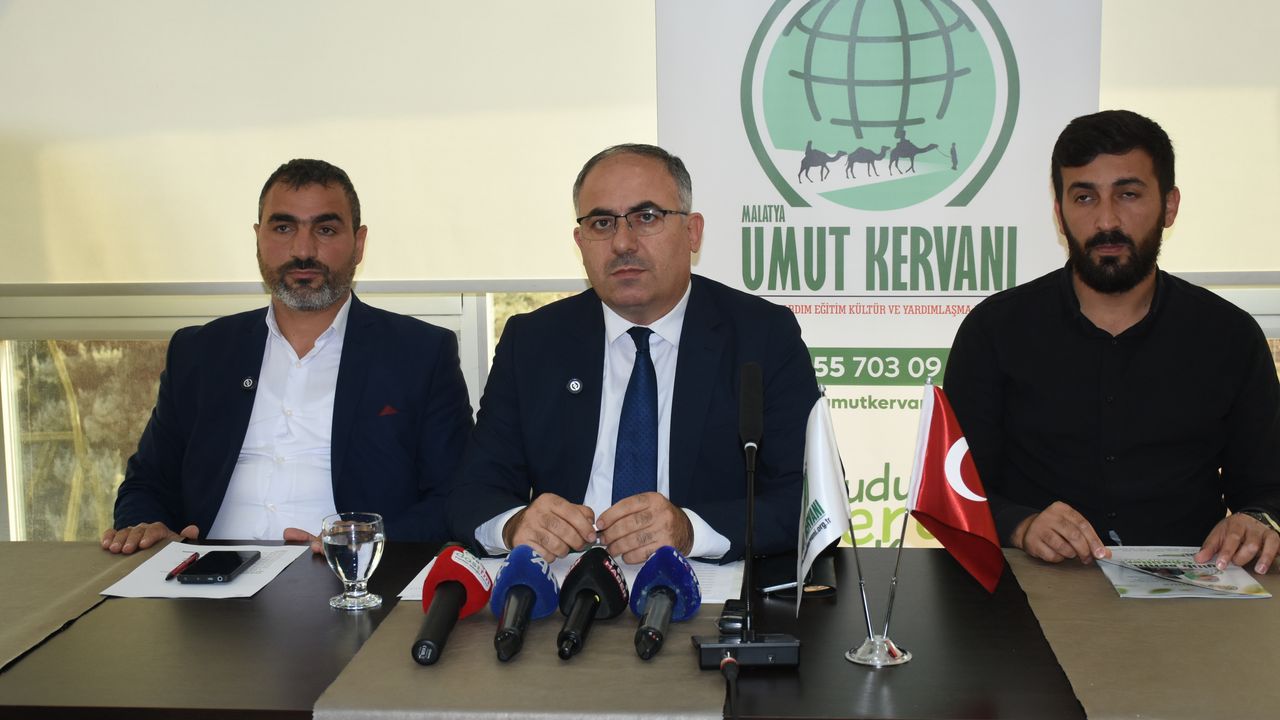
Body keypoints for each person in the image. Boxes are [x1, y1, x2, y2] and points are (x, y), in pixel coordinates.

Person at [449, 144, 819, 564]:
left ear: (692, 232)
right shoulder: (533, 341)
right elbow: (472, 492)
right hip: (566, 583)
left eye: (646, 217)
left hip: (701, 582)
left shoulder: (762, 335)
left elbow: (808, 500)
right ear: (580, 242)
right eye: (602, 223)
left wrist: (690, 531)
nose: (623, 243)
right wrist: (514, 525)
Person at [945, 110, 1280, 573]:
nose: (1106, 220)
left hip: (1192, 593)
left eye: (1128, 194)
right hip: (1029, 589)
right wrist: (1020, 525)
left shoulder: (1230, 336)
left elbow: (1268, 487)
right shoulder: (994, 331)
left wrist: (1257, 520)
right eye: (1084, 197)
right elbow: (956, 488)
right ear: (1059, 213)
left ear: (1169, 206)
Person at [104, 159, 473, 554]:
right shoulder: (200, 352)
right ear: (258, 238)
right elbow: (147, 482)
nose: (303, 250)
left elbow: (455, 496)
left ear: (359, 243)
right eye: (283, 228)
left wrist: (364, 542)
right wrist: (147, 528)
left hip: (341, 575)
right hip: (206, 572)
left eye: (325, 230)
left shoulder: (420, 354)